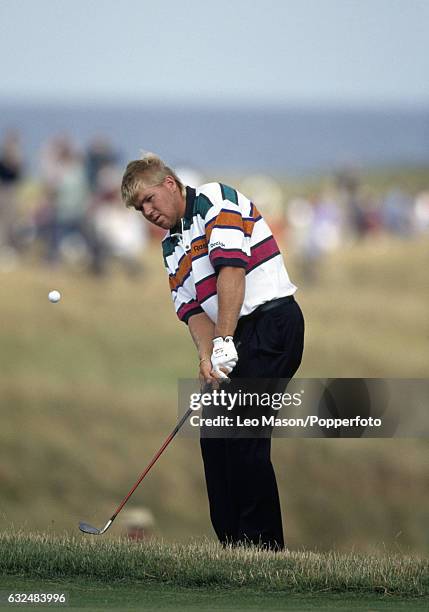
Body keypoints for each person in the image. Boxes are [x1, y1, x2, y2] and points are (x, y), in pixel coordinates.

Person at [121, 153, 304, 551]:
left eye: (150, 200)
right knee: (213, 438)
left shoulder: (215, 200)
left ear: (170, 183)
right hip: (233, 333)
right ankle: (232, 547)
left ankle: (262, 549)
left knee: (242, 434)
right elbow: (192, 312)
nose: (147, 212)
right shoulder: (171, 245)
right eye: (140, 209)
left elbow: (231, 271)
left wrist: (224, 341)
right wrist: (207, 355)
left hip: (273, 324)